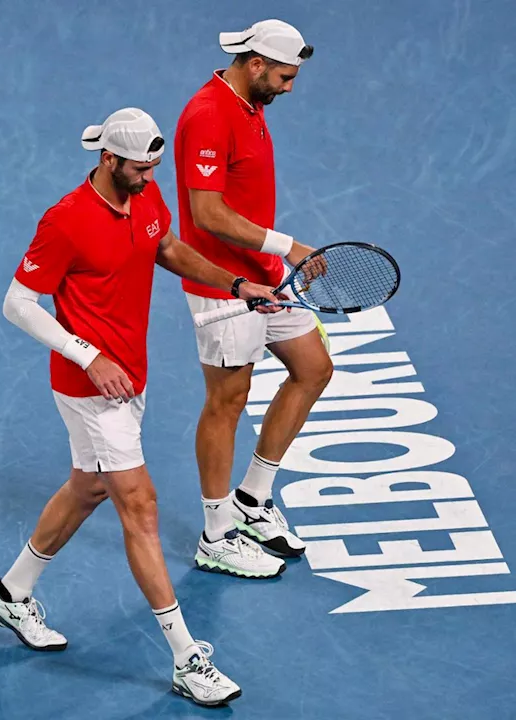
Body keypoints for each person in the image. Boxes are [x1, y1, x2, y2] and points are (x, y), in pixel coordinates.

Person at [0, 107, 284, 707]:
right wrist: (87, 354)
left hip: (129, 381)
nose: (148, 177)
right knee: (140, 507)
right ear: (107, 159)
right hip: (90, 387)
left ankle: (9, 596)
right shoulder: (64, 221)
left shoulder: (144, 199)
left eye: (153, 167)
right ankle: (186, 658)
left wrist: (236, 285)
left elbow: (165, 247)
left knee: (87, 487)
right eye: (138, 168)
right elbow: (17, 303)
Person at [172, 19, 334, 579]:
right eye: (286, 78)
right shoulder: (208, 115)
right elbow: (206, 214)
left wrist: (274, 256)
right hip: (223, 285)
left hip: (265, 274)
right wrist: (289, 245)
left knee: (313, 369)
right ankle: (216, 534)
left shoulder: (250, 104)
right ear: (257, 64)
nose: (290, 88)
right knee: (228, 402)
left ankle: (252, 497)